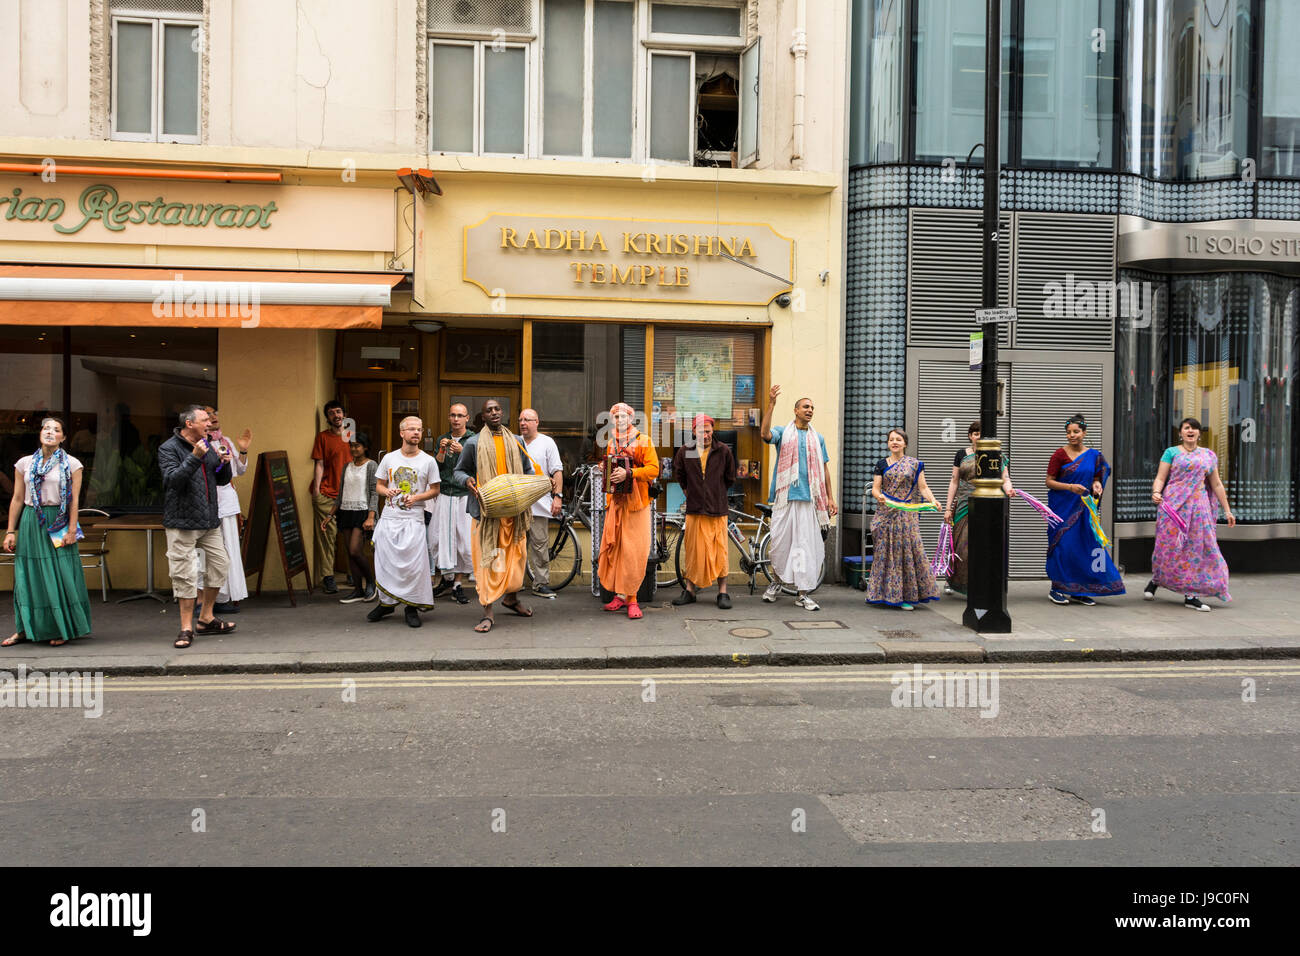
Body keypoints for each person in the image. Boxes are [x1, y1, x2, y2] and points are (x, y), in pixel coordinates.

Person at [2, 417, 92, 647]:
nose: (50, 432)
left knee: (58, 573)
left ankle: (61, 627)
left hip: (58, 519)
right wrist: (10, 531)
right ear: (40, 433)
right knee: (28, 575)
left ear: (63, 437)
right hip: (32, 520)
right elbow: (18, 498)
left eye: (56, 429)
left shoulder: (73, 464)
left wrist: (72, 529)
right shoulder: (24, 463)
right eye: (46, 428)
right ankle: (25, 629)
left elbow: (74, 501)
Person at [455, 399, 542, 632]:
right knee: (490, 564)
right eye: (488, 411)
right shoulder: (474, 443)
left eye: (497, 409)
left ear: (502, 413)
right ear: (482, 416)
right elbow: (458, 472)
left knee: (515, 561)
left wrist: (531, 485)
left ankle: (511, 599)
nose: (494, 413)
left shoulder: (516, 441)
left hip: (514, 513)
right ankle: (487, 611)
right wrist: (467, 480)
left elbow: (528, 471)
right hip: (487, 515)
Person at [158, 405, 235, 648]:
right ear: (189, 424)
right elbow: (173, 481)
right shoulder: (168, 448)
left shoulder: (208, 444)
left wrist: (225, 464)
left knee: (220, 565)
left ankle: (206, 617)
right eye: (205, 420)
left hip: (208, 520)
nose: (210, 424)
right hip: (182, 523)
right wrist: (195, 457)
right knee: (185, 574)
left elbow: (221, 480)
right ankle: (185, 627)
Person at [759, 385, 837, 611]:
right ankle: (776, 582)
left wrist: (830, 498)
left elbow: (825, 469)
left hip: (810, 501)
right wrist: (771, 404)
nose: (810, 410)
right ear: (795, 410)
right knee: (781, 545)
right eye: (805, 406)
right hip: (785, 499)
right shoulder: (783, 433)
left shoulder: (817, 438)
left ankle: (802, 593)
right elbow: (764, 434)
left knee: (804, 547)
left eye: (812, 407)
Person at [1145, 417, 1235, 610]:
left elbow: (1216, 484)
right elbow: (1161, 478)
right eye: (1187, 428)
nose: (1190, 431)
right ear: (1181, 432)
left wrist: (1227, 510)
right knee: (1168, 547)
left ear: (1199, 433)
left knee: (1196, 549)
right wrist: (1156, 492)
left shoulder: (1208, 456)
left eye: (1194, 428)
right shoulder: (1171, 452)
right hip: (1173, 508)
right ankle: (1157, 580)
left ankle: (1191, 593)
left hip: (1199, 509)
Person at [1044, 414, 1125, 605]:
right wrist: (1070, 487)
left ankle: (1078, 589)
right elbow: (1049, 481)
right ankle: (1057, 588)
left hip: (1084, 509)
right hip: (1062, 508)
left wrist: (1097, 485)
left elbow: (1097, 477)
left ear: (1084, 432)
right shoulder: (1059, 455)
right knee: (1063, 547)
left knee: (1084, 548)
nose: (1072, 435)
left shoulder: (1094, 456)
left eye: (1076, 432)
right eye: (1069, 432)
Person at [367, 417, 439, 627]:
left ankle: (412, 607)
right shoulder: (389, 458)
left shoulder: (428, 461)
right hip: (390, 518)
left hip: (413, 519)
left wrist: (416, 498)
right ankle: (386, 604)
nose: (416, 433)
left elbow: (435, 489)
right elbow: (379, 485)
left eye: (419, 430)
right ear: (402, 433)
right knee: (387, 563)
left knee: (413, 566)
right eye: (411, 429)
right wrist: (387, 491)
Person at [866, 427, 942, 610]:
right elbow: (876, 488)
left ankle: (906, 596)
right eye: (891, 439)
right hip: (886, 513)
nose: (894, 442)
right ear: (887, 443)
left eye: (898, 439)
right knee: (886, 554)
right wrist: (880, 497)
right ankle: (882, 594)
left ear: (905, 443)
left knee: (908, 553)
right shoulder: (881, 464)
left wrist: (933, 500)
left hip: (907, 514)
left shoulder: (914, 464)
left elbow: (923, 488)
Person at [595, 403, 659, 620]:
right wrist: (605, 468)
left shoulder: (644, 440)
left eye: (623, 416)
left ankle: (632, 599)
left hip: (637, 503)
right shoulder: (611, 442)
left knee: (633, 552)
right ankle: (619, 596)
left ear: (631, 418)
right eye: (615, 416)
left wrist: (629, 473)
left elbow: (653, 469)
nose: (619, 419)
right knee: (617, 551)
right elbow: (612, 468)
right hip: (617, 503)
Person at [941, 420, 1015, 596]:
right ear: (970, 436)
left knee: (986, 545)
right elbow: (954, 481)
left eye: (981, 434)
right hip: (964, 505)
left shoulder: (997, 455)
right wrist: (947, 508)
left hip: (988, 505)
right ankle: (954, 580)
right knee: (961, 546)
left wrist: (1009, 489)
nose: (978, 437)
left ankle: (982, 583)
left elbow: (1005, 477)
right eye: (975, 434)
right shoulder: (961, 455)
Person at [671, 414, 737, 609]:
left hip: (717, 509)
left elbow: (730, 478)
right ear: (694, 432)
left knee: (720, 552)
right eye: (701, 431)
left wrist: (714, 491)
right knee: (693, 551)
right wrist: (691, 491)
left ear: (712, 431)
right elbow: (680, 474)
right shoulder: (685, 451)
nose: (705, 435)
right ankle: (690, 590)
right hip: (695, 509)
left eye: (708, 431)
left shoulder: (723, 450)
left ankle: (722, 593)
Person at [204, 408, 252, 614]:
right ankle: (205, 600)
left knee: (229, 549)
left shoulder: (226, 441)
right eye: (208, 415)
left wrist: (243, 450)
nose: (214, 418)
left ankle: (225, 597)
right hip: (208, 502)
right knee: (210, 553)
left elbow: (239, 471)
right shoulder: (199, 445)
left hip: (228, 502)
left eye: (214, 413)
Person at [428, 403, 473, 605]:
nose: (456, 419)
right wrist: (442, 451)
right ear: (449, 417)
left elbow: (480, 463)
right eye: (453, 415)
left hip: (465, 493)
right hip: (446, 493)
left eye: (460, 415)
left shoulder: (473, 439)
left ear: (467, 418)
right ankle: (447, 579)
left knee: (464, 540)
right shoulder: (442, 438)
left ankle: (457, 583)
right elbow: (437, 465)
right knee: (440, 538)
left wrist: (464, 450)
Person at [328, 431, 378, 604]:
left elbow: (374, 492)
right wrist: (330, 515)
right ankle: (358, 590)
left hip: (362, 512)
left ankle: (371, 582)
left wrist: (371, 516)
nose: (354, 449)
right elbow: (340, 493)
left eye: (357, 446)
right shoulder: (346, 467)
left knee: (356, 550)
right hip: (345, 511)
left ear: (365, 447)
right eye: (352, 446)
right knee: (349, 553)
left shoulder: (371, 465)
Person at [519, 408, 564, 599]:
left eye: (527, 419)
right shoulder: (515, 442)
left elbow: (557, 471)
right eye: (520, 419)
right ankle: (513, 583)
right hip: (517, 503)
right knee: (516, 546)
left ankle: (541, 583)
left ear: (537, 422)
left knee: (539, 545)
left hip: (539, 502)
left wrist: (558, 496)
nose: (523, 423)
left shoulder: (547, 442)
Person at [310, 399, 350, 594]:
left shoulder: (351, 435)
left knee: (351, 535)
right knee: (327, 537)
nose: (336, 415)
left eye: (339, 411)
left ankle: (352, 573)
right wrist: (317, 492)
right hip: (327, 494)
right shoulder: (322, 437)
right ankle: (328, 576)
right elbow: (319, 464)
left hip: (349, 496)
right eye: (332, 413)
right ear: (327, 417)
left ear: (344, 414)